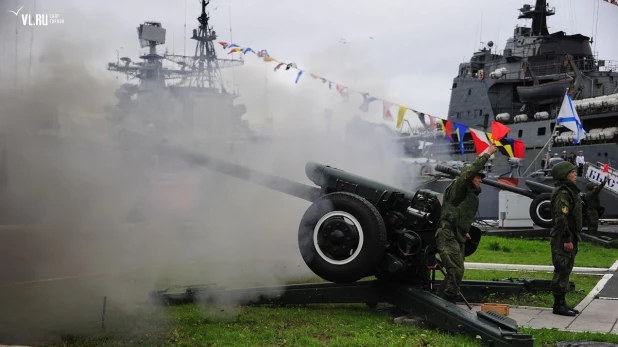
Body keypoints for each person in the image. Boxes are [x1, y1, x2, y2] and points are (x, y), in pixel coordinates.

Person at [436, 144, 498, 303]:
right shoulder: (460, 187)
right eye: (478, 176)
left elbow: (459, 215)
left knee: (456, 271)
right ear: (470, 177)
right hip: (447, 233)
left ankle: (443, 299)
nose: (480, 179)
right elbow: (467, 173)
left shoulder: (470, 195)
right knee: (456, 269)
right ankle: (447, 302)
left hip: (457, 234)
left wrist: (464, 230)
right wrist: (487, 155)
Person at [550, 161, 582, 316]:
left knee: (566, 269)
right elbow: (561, 218)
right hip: (563, 238)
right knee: (562, 268)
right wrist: (567, 239)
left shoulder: (569, 191)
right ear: (564, 175)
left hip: (569, 236)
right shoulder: (563, 193)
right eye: (572, 172)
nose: (575, 175)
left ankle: (562, 303)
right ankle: (558, 306)